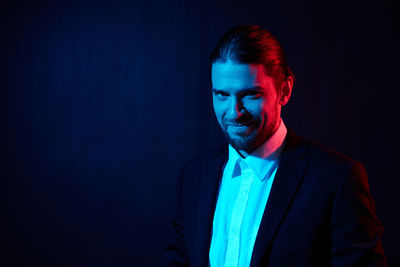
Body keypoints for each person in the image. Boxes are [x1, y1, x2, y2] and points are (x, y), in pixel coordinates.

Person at [164, 25, 386, 267]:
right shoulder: (195, 176)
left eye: (251, 95)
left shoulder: (336, 180)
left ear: (285, 90)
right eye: (222, 95)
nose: (234, 112)